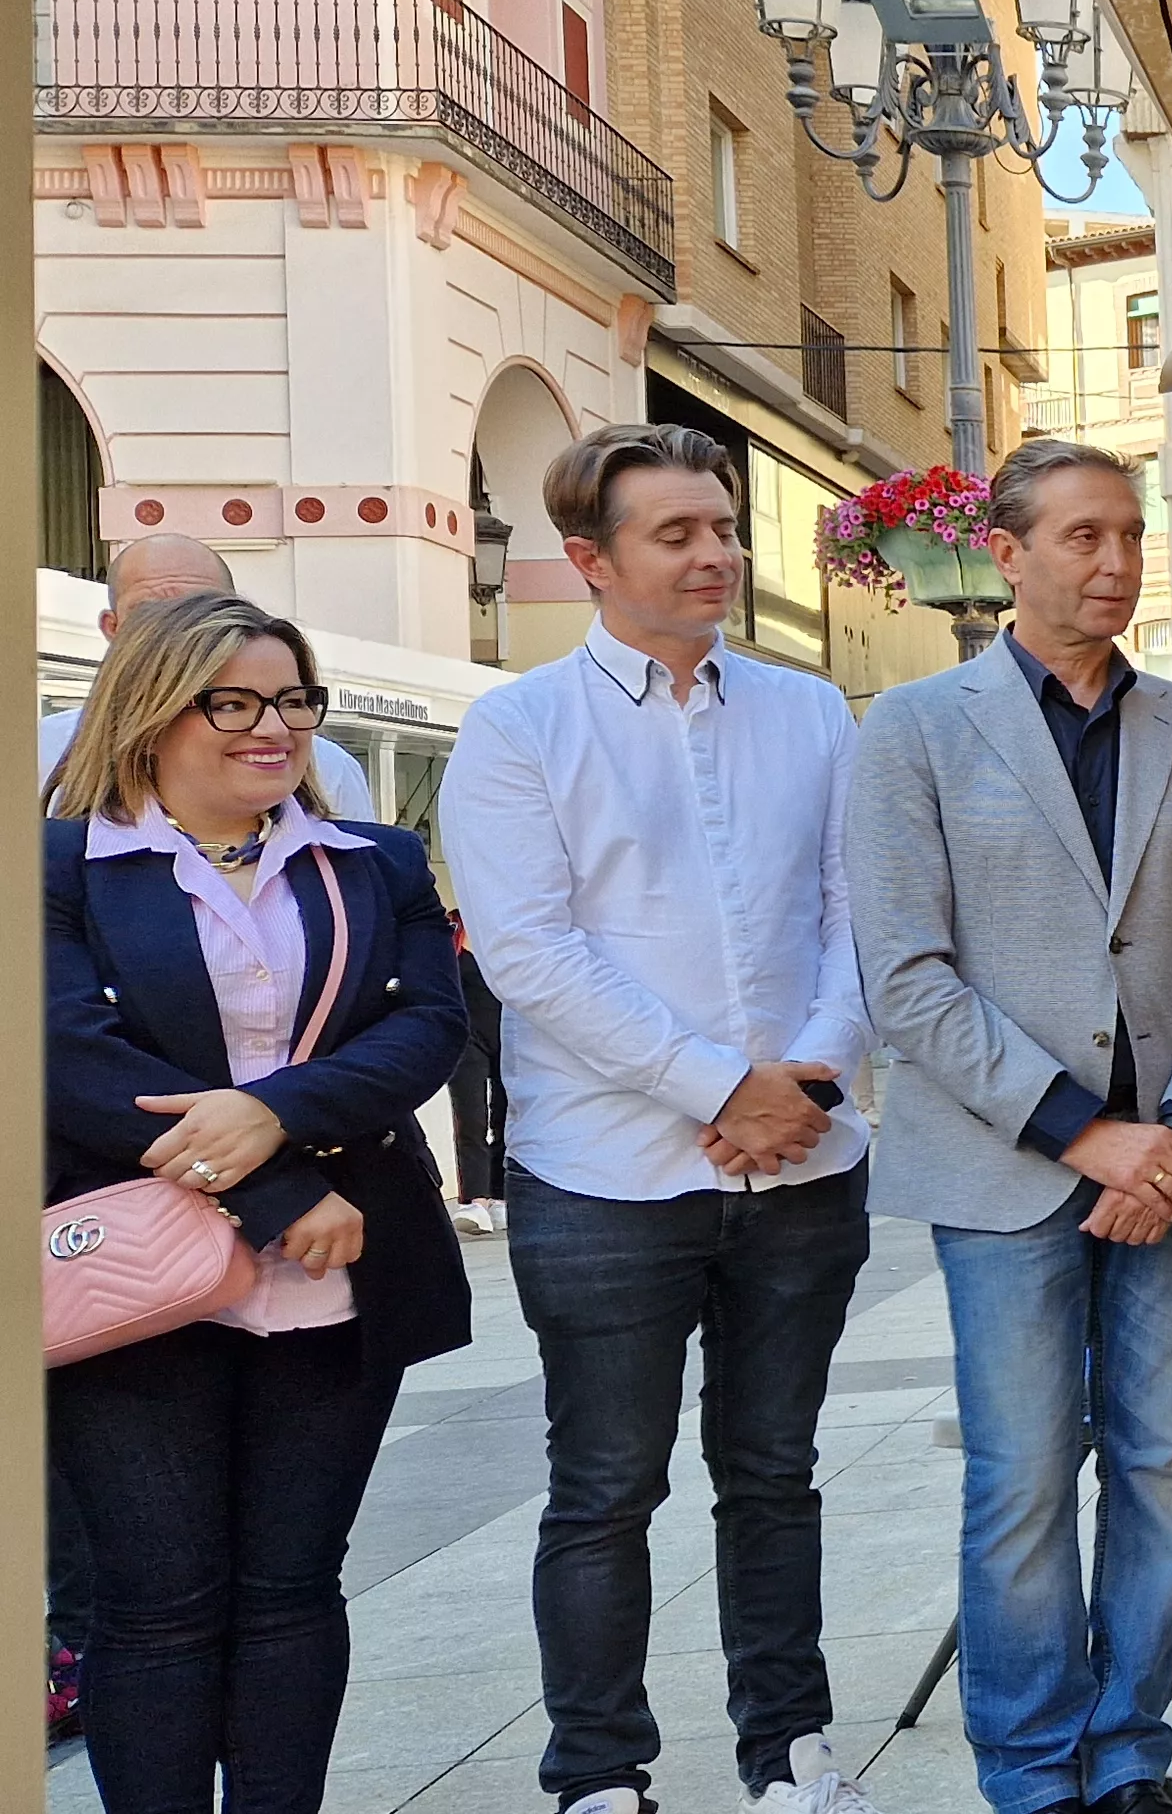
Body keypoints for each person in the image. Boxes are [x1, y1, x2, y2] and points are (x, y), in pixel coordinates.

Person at [438, 425, 884, 1814]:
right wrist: (719, 1088)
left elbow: (858, 915)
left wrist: (805, 1085)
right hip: (603, 1178)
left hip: (805, 1169)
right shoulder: (518, 730)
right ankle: (597, 1774)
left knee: (775, 1474)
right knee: (604, 1489)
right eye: (678, 534)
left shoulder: (811, 711)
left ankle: (792, 1754)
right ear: (590, 562)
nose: (717, 555)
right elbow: (531, 955)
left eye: (725, 528)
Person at [849, 438, 1172, 1814]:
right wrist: (1082, 1132)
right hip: (1007, 1172)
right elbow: (906, 977)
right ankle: (1034, 1772)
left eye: (1131, 536)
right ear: (1010, 553)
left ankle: (1129, 1753)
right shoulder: (912, 730)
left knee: (1157, 1468)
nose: (1114, 564)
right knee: (1025, 1481)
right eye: (1084, 537)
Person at [43, 590, 473, 1814]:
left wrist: (278, 1109)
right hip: (138, 1284)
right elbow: (71, 1059)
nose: (268, 727)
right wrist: (275, 1187)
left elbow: (428, 1029)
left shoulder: (371, 861)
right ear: (151, 714)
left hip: (337, 1280)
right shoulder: (62, 867)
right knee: (160, 1602)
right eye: (230, 701)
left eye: (290, 699)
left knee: (292, 1589)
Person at [44, 534, 376, 821]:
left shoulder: (329, 769)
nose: (181, 630)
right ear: (112, 628)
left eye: (205, 608)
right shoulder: (38, 752)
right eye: (150, 614)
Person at [446, 909, 509, 1236]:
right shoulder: (450, 931)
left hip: (509, 1037)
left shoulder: (506, 929)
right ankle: (475, 1200)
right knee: (470, 1118)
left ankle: (500, 1196)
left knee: (505, 1119)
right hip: (466, 1039)